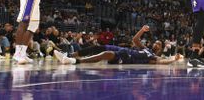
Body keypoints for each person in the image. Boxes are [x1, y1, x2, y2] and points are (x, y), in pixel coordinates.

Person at [54, 25, 183, 65]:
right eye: (156, 42)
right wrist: (142, 31)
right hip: (122, 50)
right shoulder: (146, 49)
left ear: (160, 49)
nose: (156, 44)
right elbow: (135, 39)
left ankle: (73, 61)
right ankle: (69, 56)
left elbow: (163, 62)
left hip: (126, 58)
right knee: (97, 48)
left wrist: (174, 59)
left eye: (158, 45)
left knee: (106, 54)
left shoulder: (155, 58)